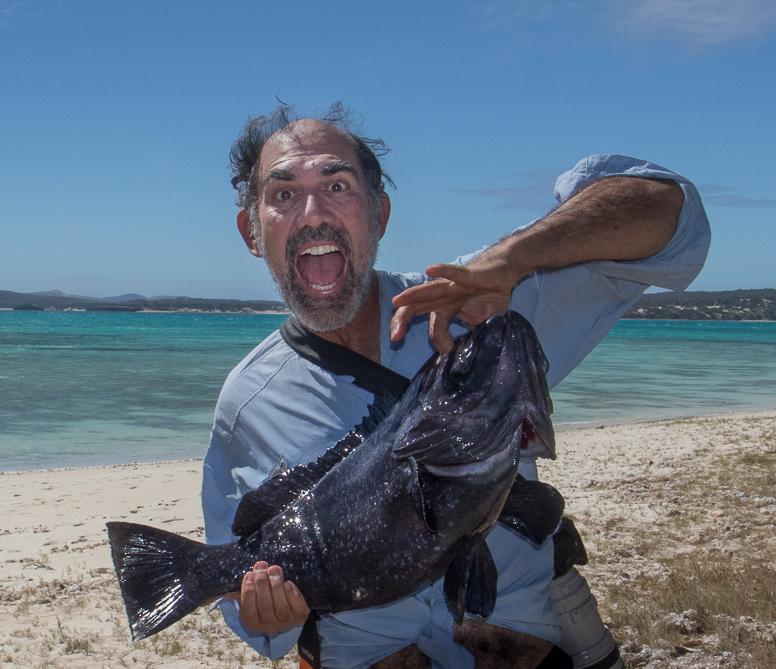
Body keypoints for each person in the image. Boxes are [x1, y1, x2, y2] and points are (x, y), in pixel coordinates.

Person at [201, 104, 711, 669]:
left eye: (337, 184)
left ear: (380, 213)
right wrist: (263, 615)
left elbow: (671, 211)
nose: (313, 212)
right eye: (284, 194)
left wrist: (512, 261)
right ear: (253, 230)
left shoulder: (481, 305)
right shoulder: (248, 403)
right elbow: (246, 596)